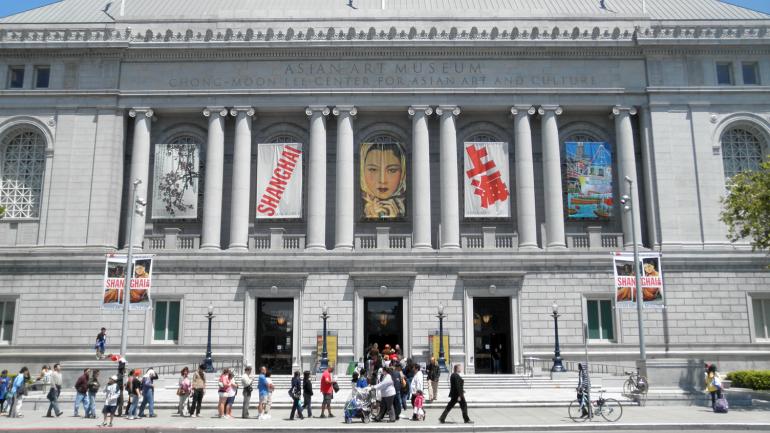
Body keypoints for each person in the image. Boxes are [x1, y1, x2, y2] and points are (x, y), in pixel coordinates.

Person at [360, 142, 407, 219]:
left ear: (403, 173)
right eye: (373, 169)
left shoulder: (405, 207)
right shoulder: (357, 204)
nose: (382, 180)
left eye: (392, 170)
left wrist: (395, 220)